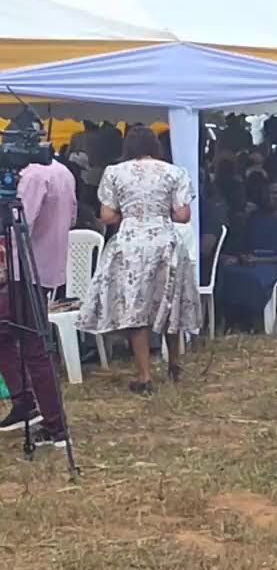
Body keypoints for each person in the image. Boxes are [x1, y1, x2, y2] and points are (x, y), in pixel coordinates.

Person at [77, 127, 201, 395]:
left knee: (136, 310)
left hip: (130, 244)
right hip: (164, 241)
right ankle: (175, 365)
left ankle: (144, 376)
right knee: (169, 304)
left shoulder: (114, 173)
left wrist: (132, 215)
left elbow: (107, 216)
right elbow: (182, 216)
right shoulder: (174, 172)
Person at [0, 149, 76, 448]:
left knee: (34, 347)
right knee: (9, 333)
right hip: (45, 265)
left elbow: (18, 223)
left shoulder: (33, 176)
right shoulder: (62, 171)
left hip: (24, 268)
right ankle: (25, 403)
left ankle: (55, 425)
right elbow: (71, 216)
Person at [216, 181, 277, 333]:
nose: (271, 197)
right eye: (268, 193)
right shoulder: (254, 218)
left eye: (275, 193)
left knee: (255, 278)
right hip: (251, 262)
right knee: (228, 272)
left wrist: (258, 260)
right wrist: (240, 258)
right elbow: (245, 245)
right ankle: (231, 321)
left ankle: (254, 321)